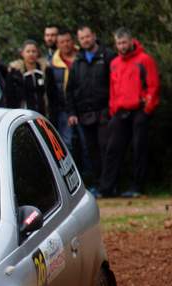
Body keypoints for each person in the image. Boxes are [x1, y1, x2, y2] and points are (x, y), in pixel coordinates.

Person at [100, 28, 160, 198]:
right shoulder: (114, 63)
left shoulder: (144, 60)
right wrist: (113, 108)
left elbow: (153, 85)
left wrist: (148, 108)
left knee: (139, 148)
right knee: (112, 148)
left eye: (124, 42)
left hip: (140, 109)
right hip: (120, 111)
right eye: (118, 43)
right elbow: (113, 88)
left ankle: (137, 186)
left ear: (131, 41)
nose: (122, 46)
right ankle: (108, 187)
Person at [66, 25, 116, 189]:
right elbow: (71, 89)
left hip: (105, 111)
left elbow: (116, 83)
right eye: (82, 38)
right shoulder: (77, 61)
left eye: (87, 36)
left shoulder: (108, 56)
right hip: (84, 113)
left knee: (107, 148)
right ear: (78, 41)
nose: (85, 40)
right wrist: (72, 112)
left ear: (94, 35)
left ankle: (110, 185)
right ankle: (98, 184)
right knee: (91, 150)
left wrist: (112, 107)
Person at [48, 28, 80, 152]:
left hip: (83, 107)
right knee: (66, 143)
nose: (65, 44)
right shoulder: (51, 64)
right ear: (57, 44)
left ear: (73, 41)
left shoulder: (82, 58)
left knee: (86, 144)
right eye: (62, 42)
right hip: (63, 108)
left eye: (68, 41)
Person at [6, 40, 49, 115]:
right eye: (28, 51)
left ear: (38, 53)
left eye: (33, 51)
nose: (31, 54)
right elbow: (9, 95)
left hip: (42, 113)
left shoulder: (45, 70)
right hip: (23, 112)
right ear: (22, 53)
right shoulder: (15, 72)